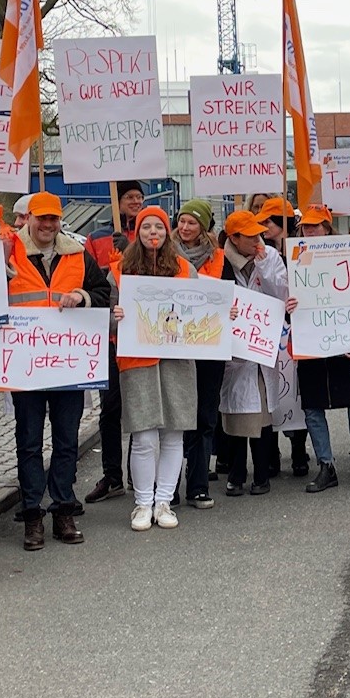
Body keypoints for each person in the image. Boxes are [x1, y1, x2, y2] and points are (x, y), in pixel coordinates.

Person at [6, 192, 111, 549]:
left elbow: (103, 292)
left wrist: (82, 296)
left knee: (67, 442)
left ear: (59, 221)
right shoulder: (8, 252)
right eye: (42, 218)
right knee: (29, 443)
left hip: (69, 365)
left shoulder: (77, 253)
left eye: (53, 219)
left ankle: (63, 509)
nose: (48, 225)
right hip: (25, 366)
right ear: (29, 218)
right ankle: (32, 514)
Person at [111, 207, 200, 530]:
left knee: (174, 433)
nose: (153, 232)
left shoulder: (184, 269)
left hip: (176, 361)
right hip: (137, 363)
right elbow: (105, 318)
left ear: (167, 232)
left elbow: (201, 309)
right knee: (145, 436)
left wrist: (223, 314)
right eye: (147, 226)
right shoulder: (120, 270)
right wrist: (116, 317)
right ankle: (142, 504)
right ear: (137, 231)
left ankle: (164, 501)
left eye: (159, 227)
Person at [289, 207, 350, 491]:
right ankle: (326, 467)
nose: (311, 231)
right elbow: (282, 292)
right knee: (313, 408)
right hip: (312, 346)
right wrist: (288, 305)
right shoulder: (294, 258)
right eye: (306, 226)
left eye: (317, 226)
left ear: (328, 228)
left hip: (346, 343)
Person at [218, 210, 288, 495]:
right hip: (233, 350)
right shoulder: (219, 262)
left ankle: (262, 475)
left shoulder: (269, 256)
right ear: (234, 238)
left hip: (262, 345)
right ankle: (235, 473)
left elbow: (281, 295)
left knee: (261, 413)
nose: (257, 239)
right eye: (249, 236)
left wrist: (266, 269)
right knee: (235, 415)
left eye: (259, 233)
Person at [85, 181, 143, 504]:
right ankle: (112, 475)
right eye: (130, 197)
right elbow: (93, 281)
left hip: (143, 337)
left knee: (139, 406)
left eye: (139, 197)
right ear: (117, 202)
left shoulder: (150, 230)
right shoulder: (96, 238)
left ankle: (138, 471)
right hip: (110, 335)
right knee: (110, 409)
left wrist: (132, 252)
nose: (135, 201)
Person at [176, 199, 226, 509]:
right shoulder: (164, 255)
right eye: (181, 221)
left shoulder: (219, 258)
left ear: (204, 227)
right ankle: (168, 488)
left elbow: (233, 293)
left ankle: (197, 484)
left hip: (209, 345)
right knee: (175, 420)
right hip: (174, 346)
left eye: (192, 222)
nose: (184, 227)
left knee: (205, 417)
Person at [257, 196, 309, 476]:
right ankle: (272, 451)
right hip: (269, 327)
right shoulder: (261, 252)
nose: (264, 227)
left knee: (296, 391)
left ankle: (299, 449)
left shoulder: (301, 251)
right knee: (273, 389)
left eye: (268, 221)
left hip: (297, 328)